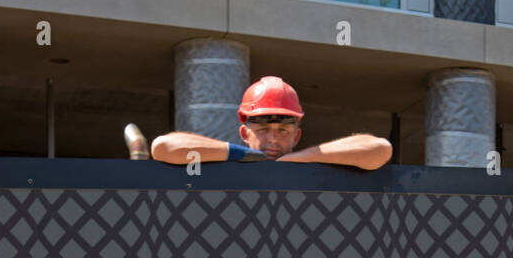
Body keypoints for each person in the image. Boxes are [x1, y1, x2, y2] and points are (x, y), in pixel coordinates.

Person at [149, 75, 392, 170]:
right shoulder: (222, 164)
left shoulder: (312, 166)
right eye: (263, 129)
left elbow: (381, 150)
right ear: (244, 133)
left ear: (296, 136)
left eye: (284, 130)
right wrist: (237, 154)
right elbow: (163, 147)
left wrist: (304, 158)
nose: (273, 138)